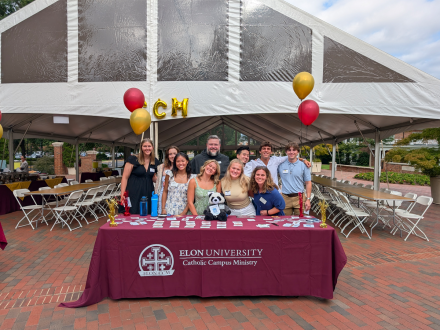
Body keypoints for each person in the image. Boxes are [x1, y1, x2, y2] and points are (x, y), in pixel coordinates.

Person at [120, 138, 158, 215]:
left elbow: (153, 177)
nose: (147, 148)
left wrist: (164, 180)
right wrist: (122, 194)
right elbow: (125, 177)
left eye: (149, 146)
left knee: (147, 213)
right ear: (141, 147)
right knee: (132, 212)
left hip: (148, 192)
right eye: (145, 146)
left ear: (152, 147)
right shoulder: (133, 159)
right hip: (133, 192)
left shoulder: (155, 161)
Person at [244, 141, 311, 183]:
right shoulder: (253, 163)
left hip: (274, 193)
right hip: (260, 193)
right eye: (264, 149)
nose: (266, 150)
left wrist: (303, 160)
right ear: (260, 151)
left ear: (271, 152)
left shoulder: (275, 160)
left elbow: (291, 156)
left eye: (268, 149)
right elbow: (242, 173)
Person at [278, 143, 312, 215]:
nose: (291, 152)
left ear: (298, 152)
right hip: (285, 198)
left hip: (300, 198)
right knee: (284, 222)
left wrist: (308, 199)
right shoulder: (280, 165)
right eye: (289, 150)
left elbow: (308, 183)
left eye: (294, 150)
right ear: (286, 152)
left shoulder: (304, 165)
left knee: (302, 222)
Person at [155, 146, 179, 214]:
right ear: (167, 156)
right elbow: (157, 181)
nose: (172, 156)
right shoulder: (161, 167)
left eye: (175, 153)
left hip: (175, 197)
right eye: (170, 154)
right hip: (162, 195)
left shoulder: (181, 167)